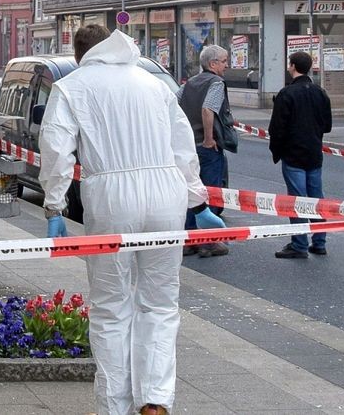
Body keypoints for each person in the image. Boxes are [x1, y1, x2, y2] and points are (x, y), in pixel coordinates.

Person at [39, 25, 224, 415]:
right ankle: (154, 399)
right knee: (160, 302)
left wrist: (55, 206)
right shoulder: (152, 84)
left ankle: (115, 406)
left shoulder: (72, 87)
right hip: (166, 195)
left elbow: (56, 150)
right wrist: (197, 203)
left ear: (80, 55)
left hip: (111, 197)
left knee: (111, 306)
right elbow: (182, 146)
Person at [270, 51, 333, 259]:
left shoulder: (286, 94)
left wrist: (277, 150)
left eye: (289, 64)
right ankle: (319, 242)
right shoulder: (320, 92)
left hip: (293, 154)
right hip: (314, 153)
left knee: (297, 201)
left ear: (293, 66)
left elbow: (277, 128)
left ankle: (299, 244)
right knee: (317, 199)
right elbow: (327, 125)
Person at [176, 44, 236, 258]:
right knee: (210, 192)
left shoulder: (189, 83)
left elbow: (174, 106)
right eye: (224, 61)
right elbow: (208, 109)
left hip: (189, 147)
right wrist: (209, 139)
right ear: (213, 63)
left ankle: (189, 240)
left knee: (191, 192)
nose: (226, 65)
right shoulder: (216, 83)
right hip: (206, 147)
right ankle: (209, 242)